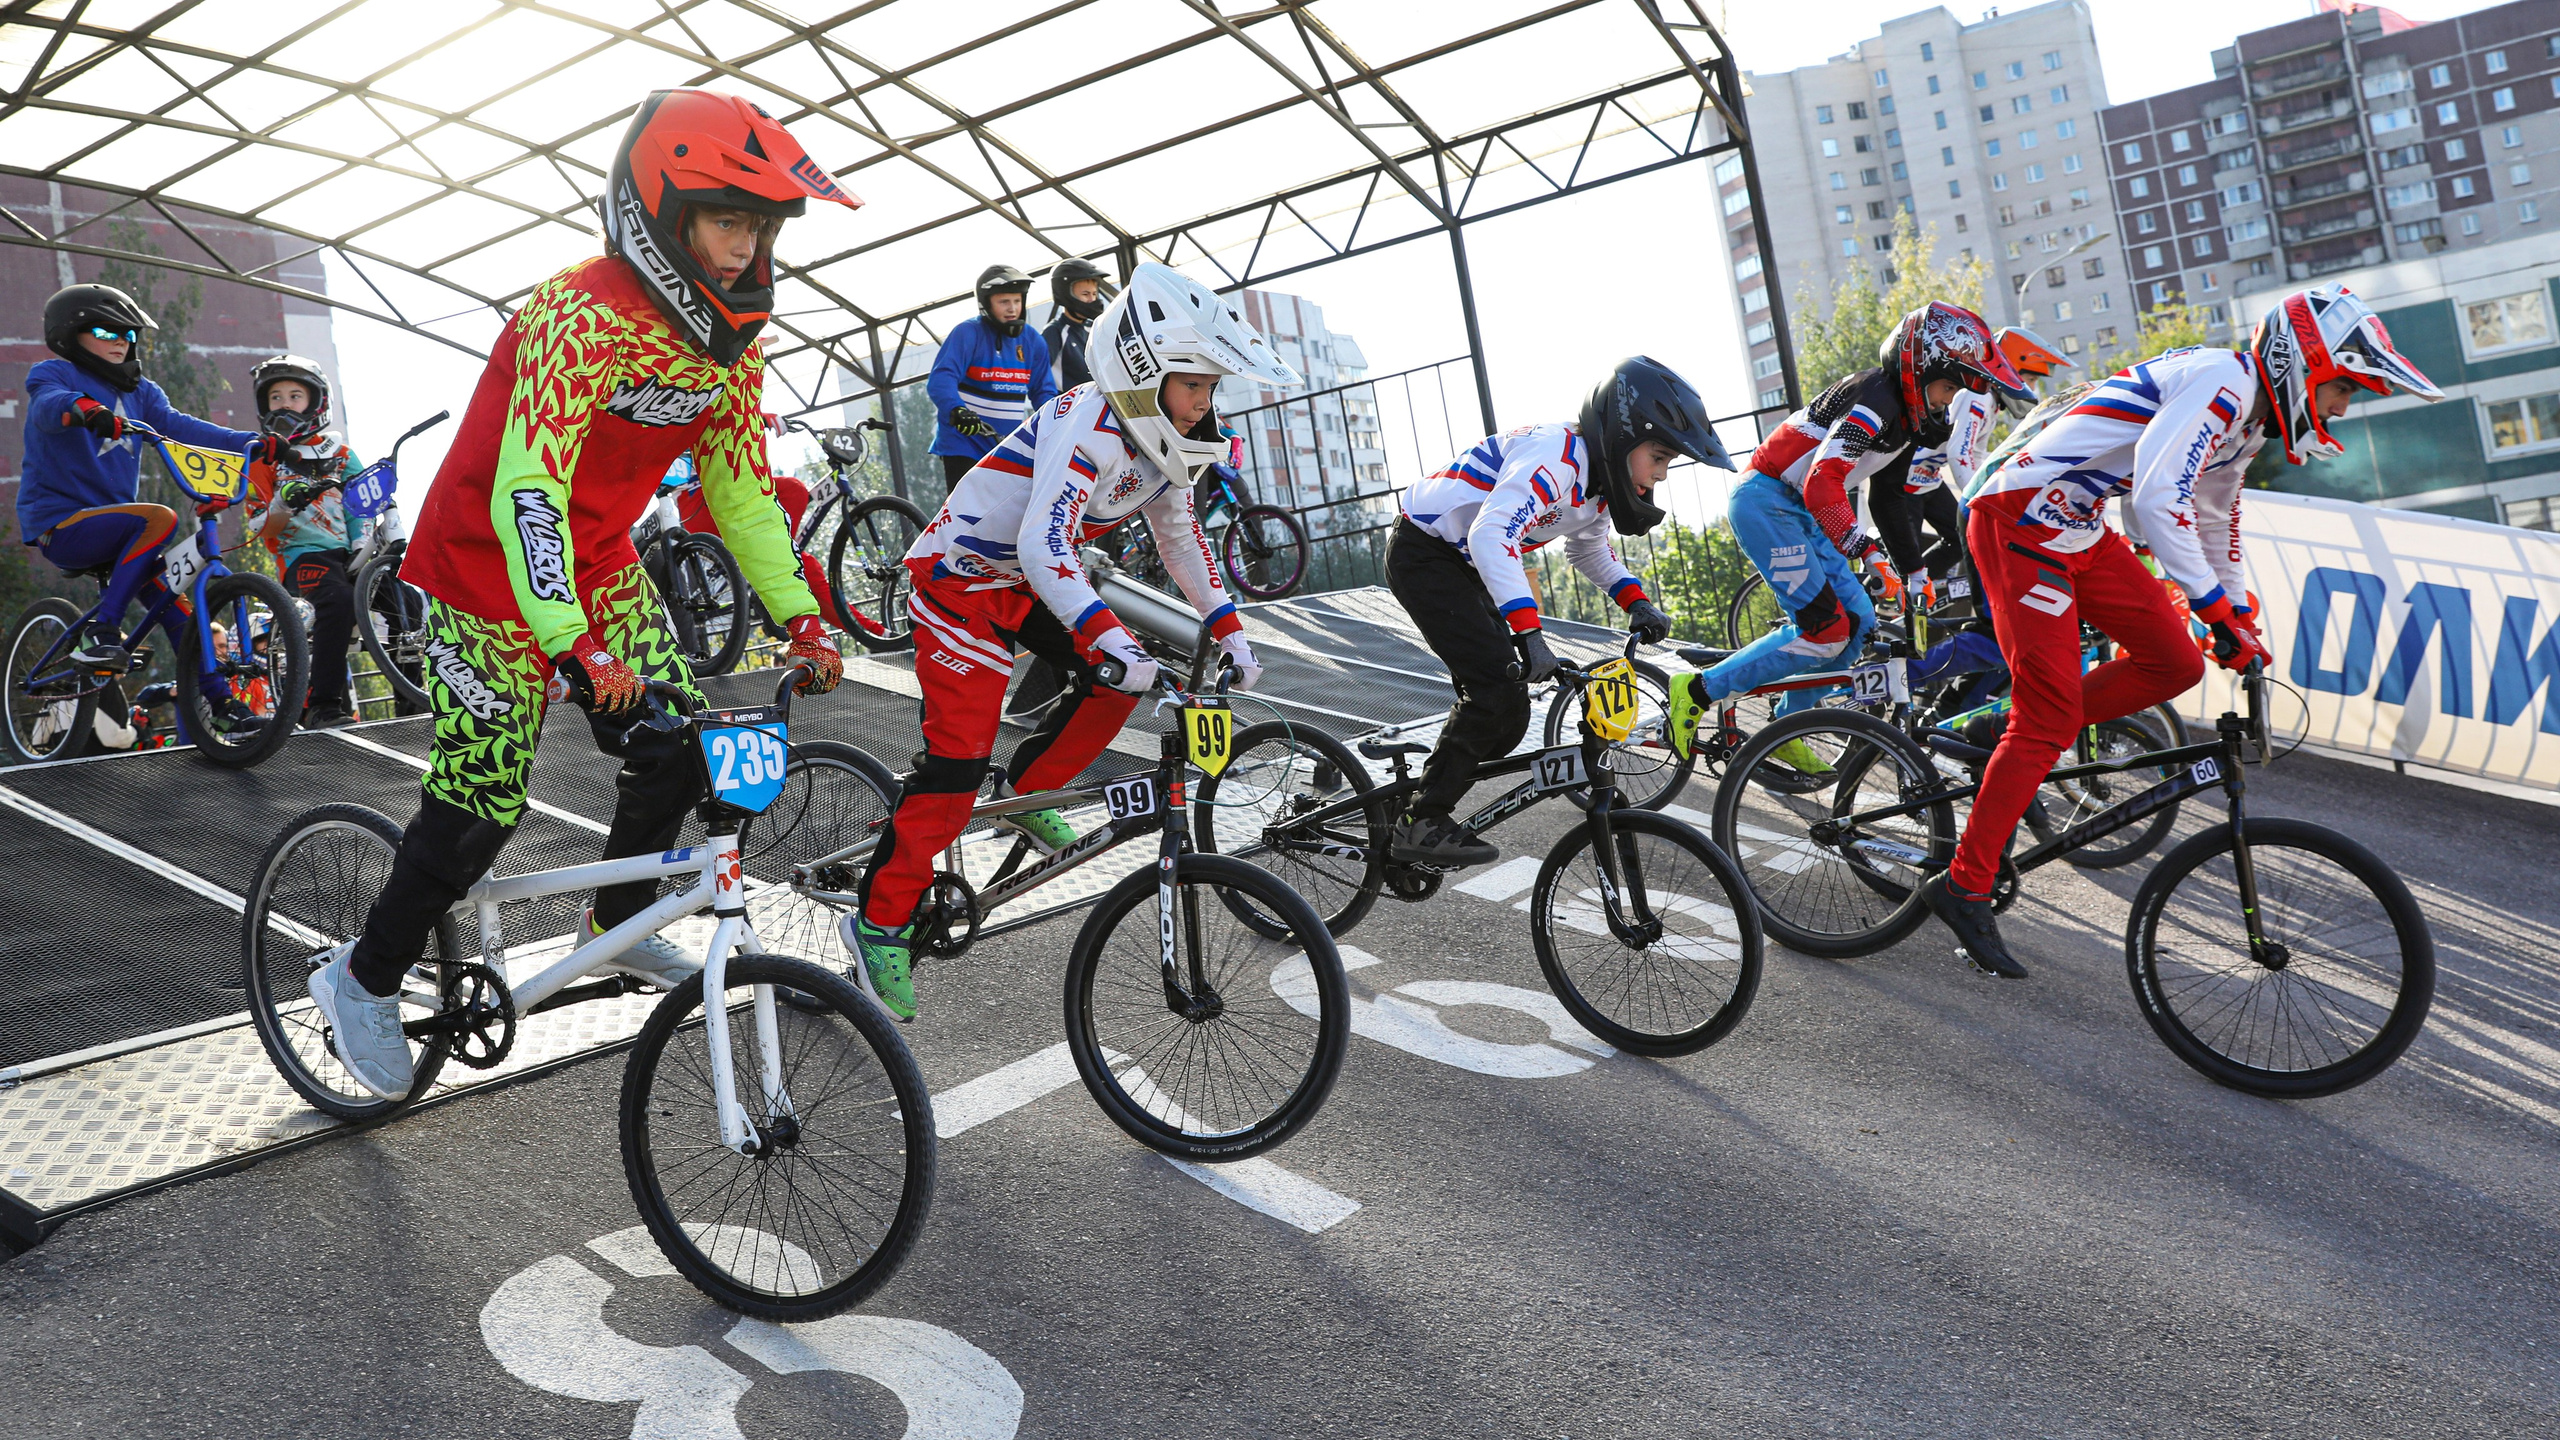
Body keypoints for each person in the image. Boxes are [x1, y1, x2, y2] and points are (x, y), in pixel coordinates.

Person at [302, 88, 860, 1101]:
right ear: (661, 208)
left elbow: (737, 493)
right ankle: (362, 980)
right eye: (728, 219)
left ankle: (612, 929)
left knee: (679, 744)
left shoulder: (730, 343)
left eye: (761, 227)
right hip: (482, 574)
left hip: (595, 564)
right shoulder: (579, 311)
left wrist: (803, 615)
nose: (744, 248)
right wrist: (569, 642)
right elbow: (531, 485)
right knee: (481, 805)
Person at [1919, 285, 2443, 977]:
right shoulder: (2223, 382)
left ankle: (2002, 730)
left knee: (2174, 665)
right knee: (2049, 721)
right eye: (2343, 388)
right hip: (2017, 517)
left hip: (2077, 526)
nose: (2344, 407)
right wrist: (2212, 609)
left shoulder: (2250, 420)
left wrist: (2238, 612)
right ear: (2303, 366)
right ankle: (1964, 884)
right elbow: (2161, 498)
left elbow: (2215, 517)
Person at [848, 262, 1300, 1020]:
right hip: (958, 582)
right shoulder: (1091, 425)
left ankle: (1027, 790)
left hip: (1021, 581)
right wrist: (1106, 633)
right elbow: (1043, 546)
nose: (1204, 403)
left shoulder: (1166, 436)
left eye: (1211, 389)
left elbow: (1181, 536)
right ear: (1143, 372)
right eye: (1194, 384)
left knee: (1122, 675)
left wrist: (1228, 625)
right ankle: (879, 923)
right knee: (956, 770)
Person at [1387, 357, 1728, 867]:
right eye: (1658, 458)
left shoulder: (1596, 487)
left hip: (1467, 563)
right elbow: (1490, 535)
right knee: (1496, 693)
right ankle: (1421, 821)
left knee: (1506, 717)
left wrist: (1636, 601)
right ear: (1621, 435)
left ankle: (1410, 799)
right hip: (1426, 552)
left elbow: (1589, 550)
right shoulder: (1557, 457)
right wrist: (1529, 632)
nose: (1659, 475)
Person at [1664, 302, 2023, 769]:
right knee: (1825, 629)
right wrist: (1865, 550)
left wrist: (1915, 572)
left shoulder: (1910, 417)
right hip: (1767, 500)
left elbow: (1890, 498)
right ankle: (1697, 689)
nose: (1947, 400)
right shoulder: (1876, 398)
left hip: (1802, 509)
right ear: (1921, 367)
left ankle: (1786, 723)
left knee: (1857, 628)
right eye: (1948, 386)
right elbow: (1821, 481)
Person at [16, 283, 278, 726]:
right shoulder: (53, 374)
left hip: (121, 532)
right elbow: (47, 405)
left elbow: (182, 426)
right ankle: (103, 633)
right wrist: (86, 409)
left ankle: (221, 706)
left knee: (177, 609)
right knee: (160, 517)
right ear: (70, 334)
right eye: (106, 330)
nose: (121, 340)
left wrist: (253, 442)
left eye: (129, 334)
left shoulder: (142, 393)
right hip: (62, 525)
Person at [1889, 326, 2074, 593]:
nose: (2032, 389)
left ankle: (1914, 592)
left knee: (1956, 538)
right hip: (1905, 481)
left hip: (1927, 480)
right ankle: (1888, 598)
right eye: (2031, 379)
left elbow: (1975, 455)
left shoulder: (1990, 400)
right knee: (1908, 557)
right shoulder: (1977, 397)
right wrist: (1978, 500)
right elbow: (1959, 452)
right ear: (2011, 370)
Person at [242, 355, 371, 727]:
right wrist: (281, 503)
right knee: (338, 600)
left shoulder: (342, 454)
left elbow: (360, 503)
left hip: (351, 553)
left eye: (295, 396)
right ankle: (323, 704)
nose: (285, 404)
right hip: (301, 557)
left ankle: (412, 698)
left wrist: (364, 542)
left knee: (406, 598)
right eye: (275, 398)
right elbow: (256, 525)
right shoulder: (262, 461)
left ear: (316, 402)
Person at [927, 264, 1055, 491]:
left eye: (1017, 301)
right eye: (1004, 302)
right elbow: (941, 378)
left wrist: (1056, 420)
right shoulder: (967, 333)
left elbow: (1043, 391)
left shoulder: (1033, 341)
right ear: (986, 303)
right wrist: (958, 410)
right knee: (967, 519)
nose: (1012, 308)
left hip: (1009, 446)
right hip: (964, 444)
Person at [1040, 258, 1114, 392]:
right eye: (1085, 294)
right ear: (1065, 294)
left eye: (1094, 294)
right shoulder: (1055, 331)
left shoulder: (1095, 328)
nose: (1092, 299)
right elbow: (1039, 376)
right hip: (1071, 408)